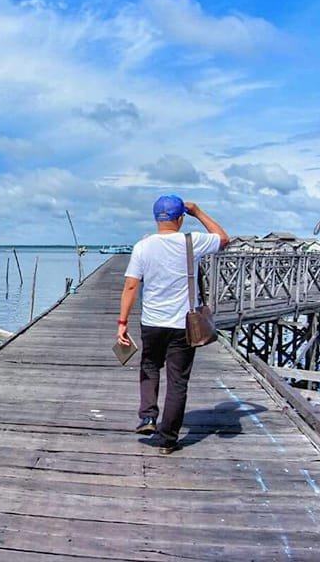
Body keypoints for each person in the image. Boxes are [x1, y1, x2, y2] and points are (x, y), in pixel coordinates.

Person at [116, 195, 229, 454]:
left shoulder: (142, 246)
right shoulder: (193, 241)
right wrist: (198, 211)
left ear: (156, 218)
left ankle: (147, 416)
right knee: (178, 380)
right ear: (180, 219)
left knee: (149, 365)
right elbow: (223, 239)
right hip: (183, 324)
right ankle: (167, 440)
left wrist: (122, 322)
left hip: (152, 322)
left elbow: (131, 286)